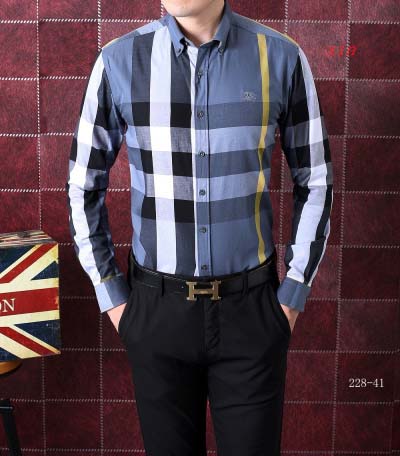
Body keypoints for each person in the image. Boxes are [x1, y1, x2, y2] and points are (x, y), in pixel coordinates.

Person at [65, 0, 333, 454]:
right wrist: (114, 300)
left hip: (252, 313)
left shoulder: (281, 57)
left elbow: (316, 180)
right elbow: (82, 186)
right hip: (155, 313)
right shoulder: (118, 61)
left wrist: (292, 295)